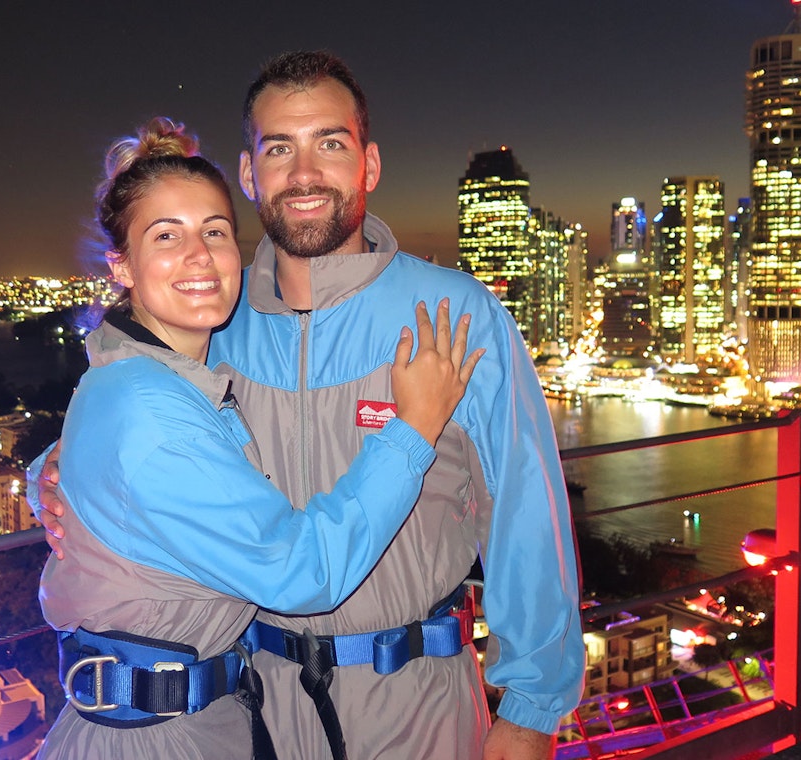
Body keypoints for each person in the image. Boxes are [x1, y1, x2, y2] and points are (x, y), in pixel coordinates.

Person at [33, 52, 585, 759]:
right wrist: (52, 473)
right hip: (252, 707)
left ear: (369, 164)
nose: (303, 174)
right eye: (278, 149)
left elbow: (525, 516)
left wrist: (532, 707)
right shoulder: (217, 321)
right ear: (248, 172)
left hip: (417, 705)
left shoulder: (453, 314)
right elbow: (144, 432)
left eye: (329, 143)